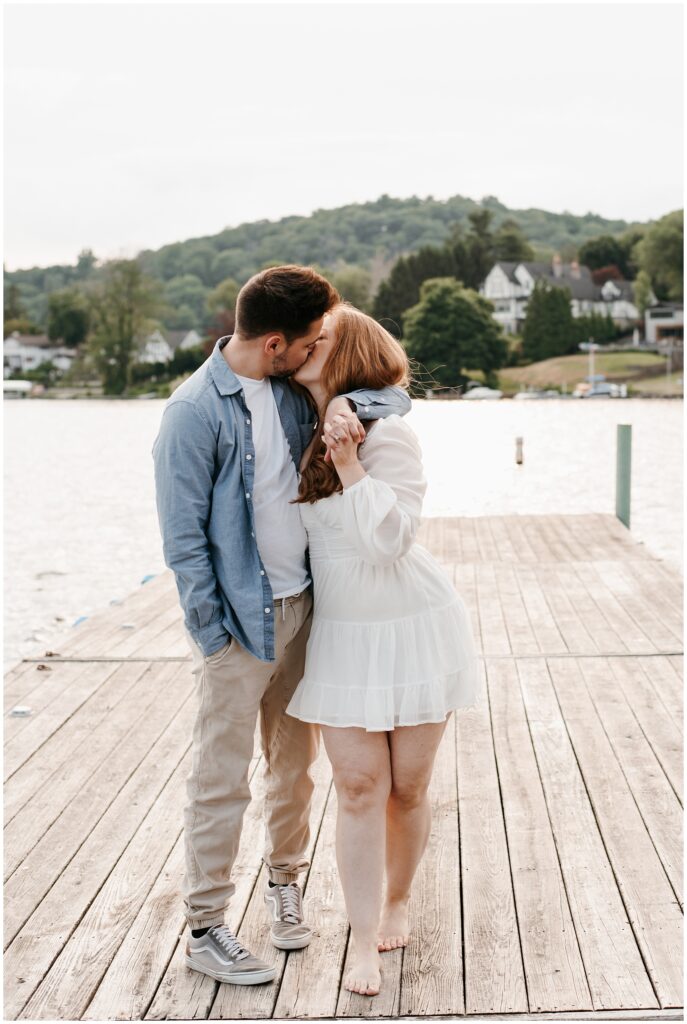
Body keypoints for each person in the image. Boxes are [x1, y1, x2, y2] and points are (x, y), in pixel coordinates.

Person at [152, 266, 411, 986]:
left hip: (305, 614)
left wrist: (345, 405)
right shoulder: (192, 411)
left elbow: (392, 390)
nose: (317, 350)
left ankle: (283, 888)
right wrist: (212, 635)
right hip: (238, 624)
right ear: (276, 344)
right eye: (310, 341)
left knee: (293, 769)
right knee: (220, 779)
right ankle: (206, 926)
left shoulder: (299, 392)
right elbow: (182, 541)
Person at [285, 303, 480, 997]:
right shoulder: (295, 422)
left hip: (412, 626)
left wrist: (350, 466)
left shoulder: (385, 433)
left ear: (348, 353)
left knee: (408, 786)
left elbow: (388, 541)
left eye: (324, 337)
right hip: (342, 637)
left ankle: (399, 898)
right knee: (359, 786)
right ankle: (362, 938)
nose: (308, 341)